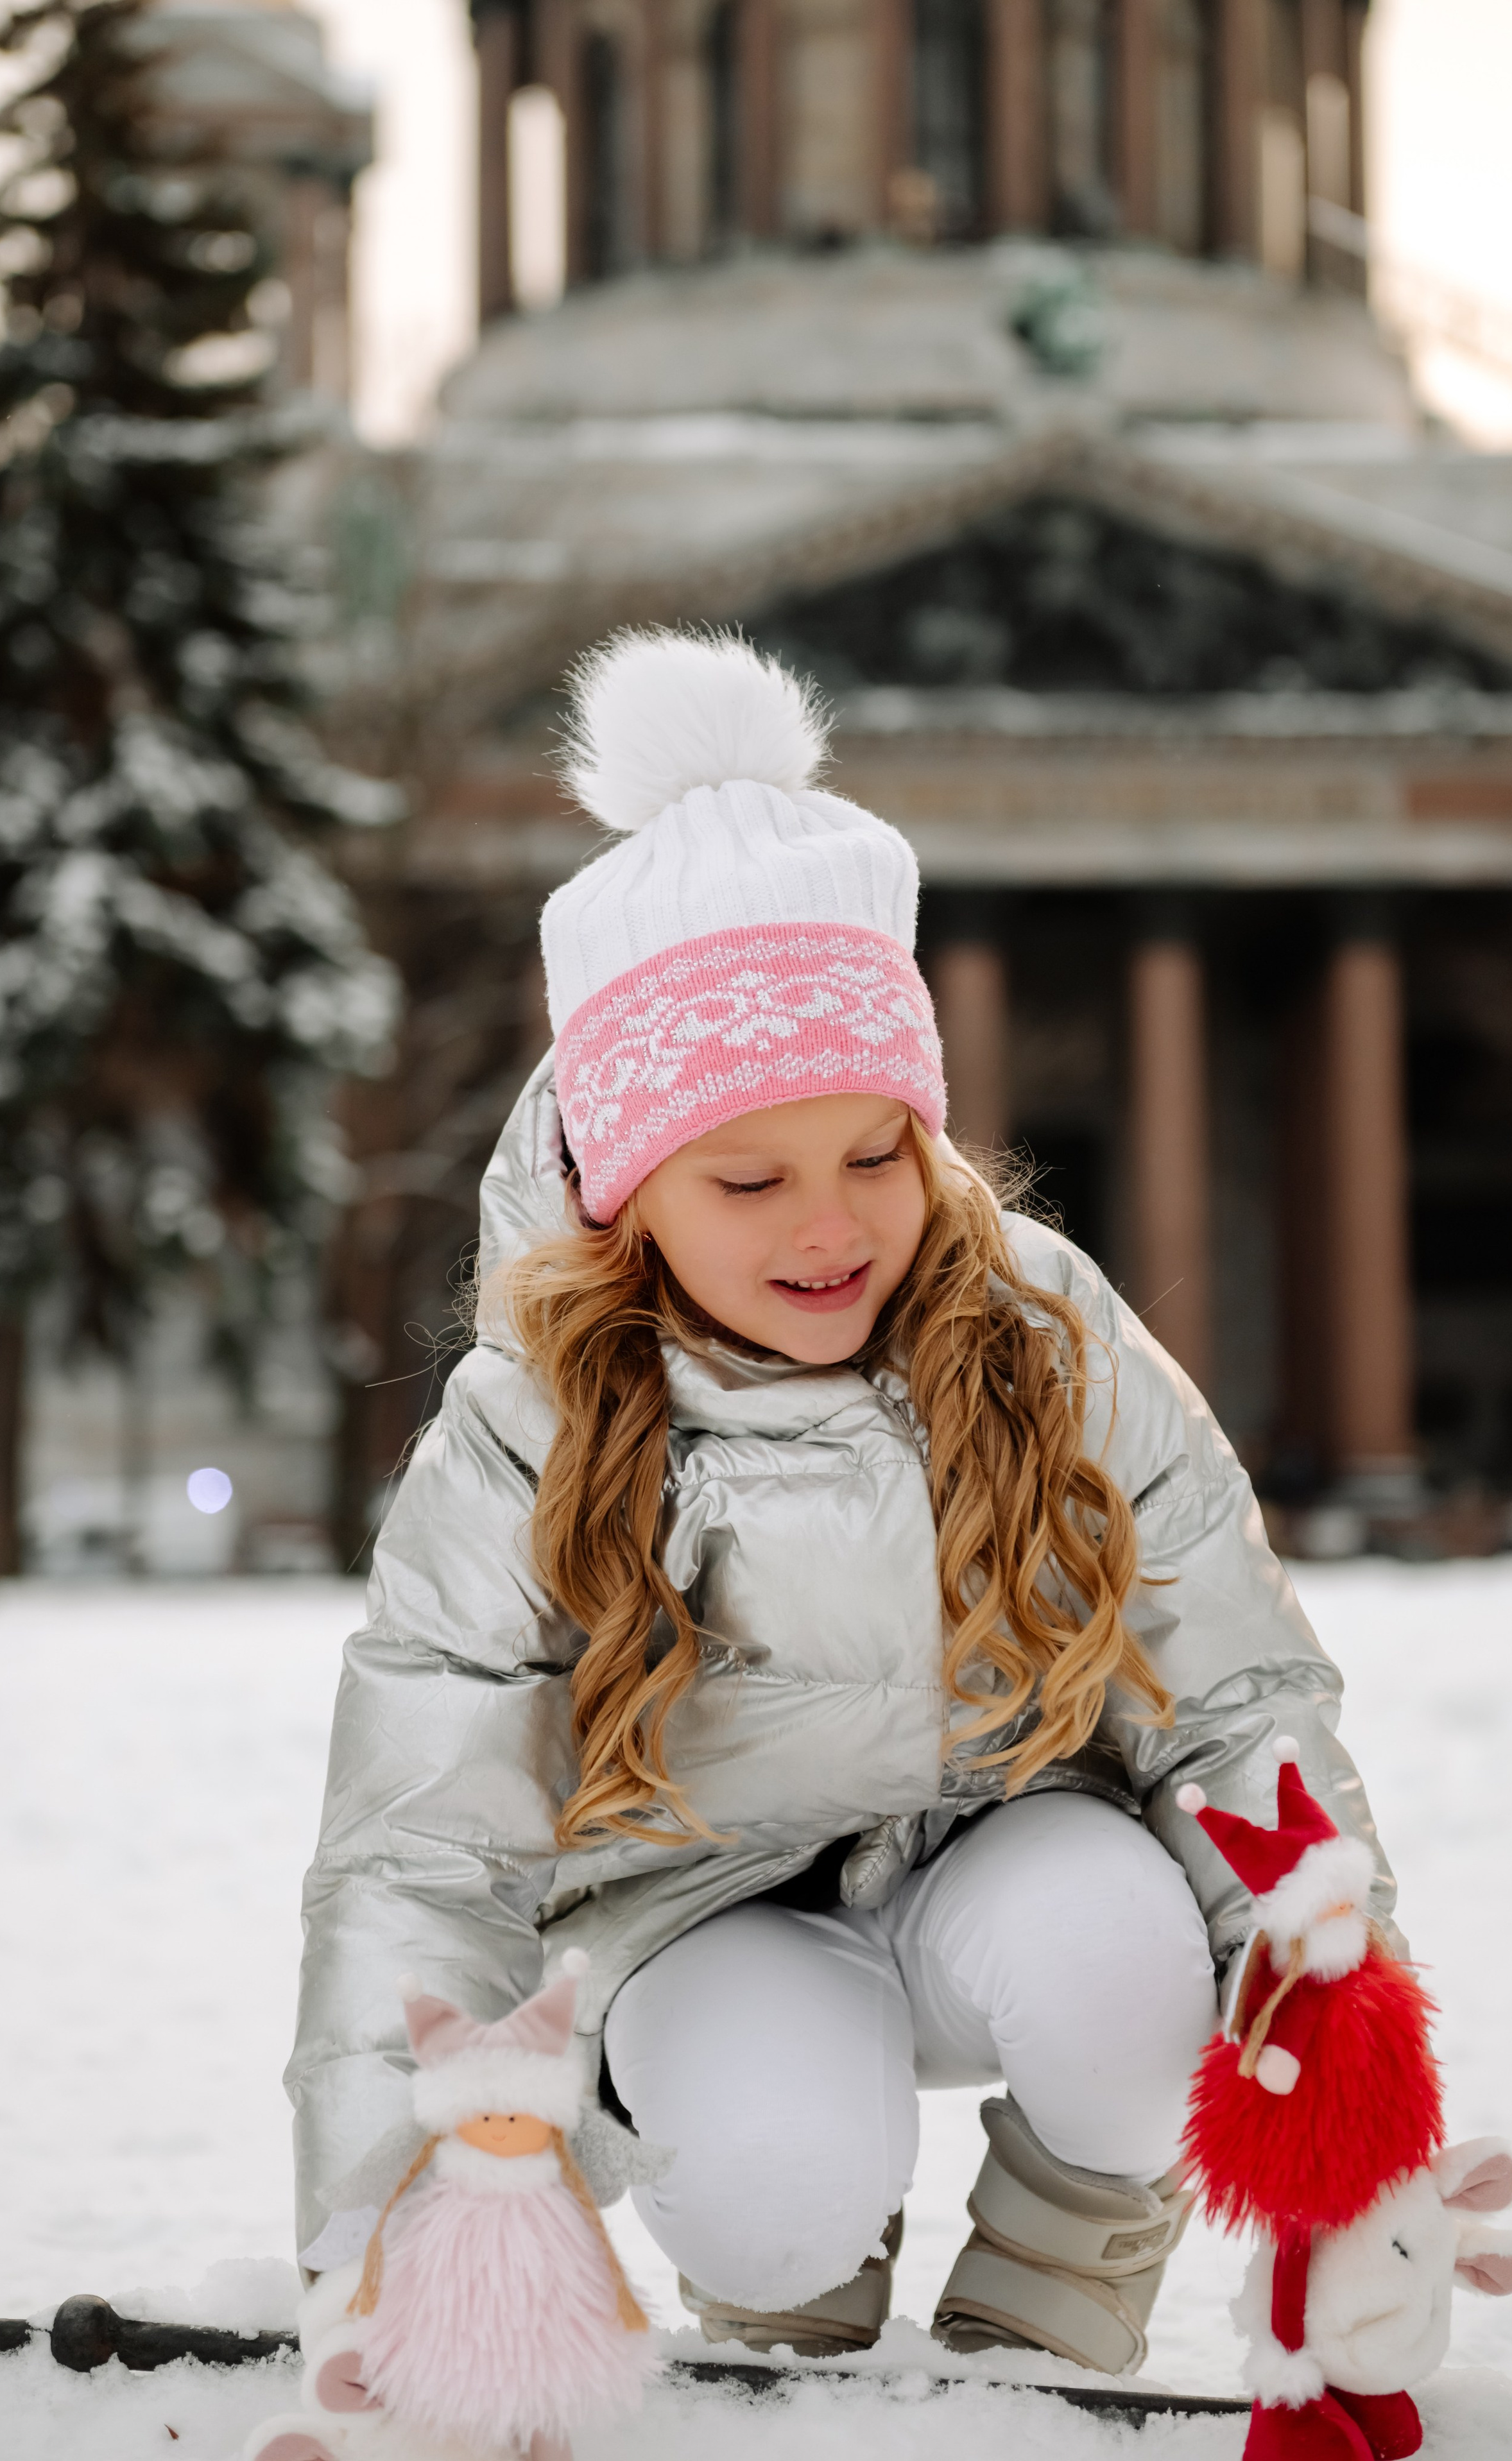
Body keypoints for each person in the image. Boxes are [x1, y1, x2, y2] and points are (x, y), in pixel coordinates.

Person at [287, 629, 1400, 2376]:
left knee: (1133, 1963)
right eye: (749, 1176)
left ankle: (1052, 2303)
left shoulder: (1039, 1328)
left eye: (878, 1151)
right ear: (625, 1188)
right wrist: (386, 2227)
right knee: (782, 2167)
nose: (833, 1226)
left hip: (1005, 1847)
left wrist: (1343, 2047)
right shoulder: (527, 1427)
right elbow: (421, 1853)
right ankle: (790, 2300)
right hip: (690, 1915)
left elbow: (1235, 1692)